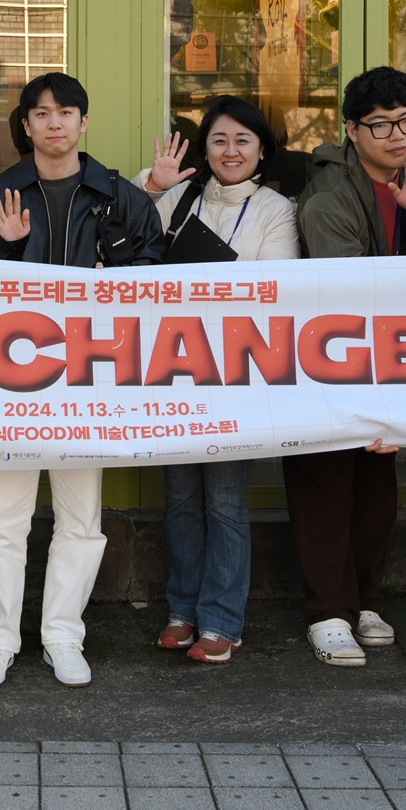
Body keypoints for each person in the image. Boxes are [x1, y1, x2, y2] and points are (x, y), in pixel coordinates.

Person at [0, 72, 169, 688]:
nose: (55, 123)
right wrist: (8, 249)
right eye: (42, 113)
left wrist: (117, 274)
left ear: (83, 121)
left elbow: (156, 279)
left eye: (66, 112)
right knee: (3, 520)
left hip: (89, 380)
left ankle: (62, 635)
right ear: (26, 125)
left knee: (81, 520)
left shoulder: (120, 197)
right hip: (12, 380)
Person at [291, 66, 406, 667]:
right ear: (352, 130)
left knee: (376, 491)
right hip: (332, 355)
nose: (399, 136)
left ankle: (366, 601)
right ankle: (328, 613)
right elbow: (349, 291)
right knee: (325, 485)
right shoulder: (329, 193)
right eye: (381, 125)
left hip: (395, 355)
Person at [136, 96, 300, 664]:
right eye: (219, 140)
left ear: (262, 149)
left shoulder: (277, 209)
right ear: (203, 148)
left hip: (235, 373)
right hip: (171, 368)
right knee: (180, 497)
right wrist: (151, 188)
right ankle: (182, 610)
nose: (231, 151)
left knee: (226, 499)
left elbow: (274, 287)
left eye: (243, 141)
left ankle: (222, 620)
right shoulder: (177, 195)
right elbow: (125, 240)